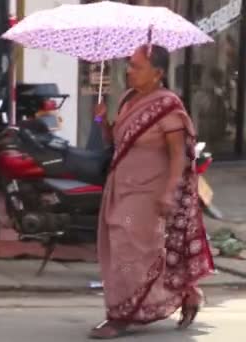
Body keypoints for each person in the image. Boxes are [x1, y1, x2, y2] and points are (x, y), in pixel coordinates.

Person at [88, 44, 215, 339]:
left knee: (127, 250)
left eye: (136, 66)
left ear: (157, 73)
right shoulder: (127, 99)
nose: (129, 71)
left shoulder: (168, 106)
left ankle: (120, 316)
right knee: (128, 250)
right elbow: (115, 140)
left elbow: (178, 156)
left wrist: (169, 192)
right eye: (130, 65)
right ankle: (188, 292)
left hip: (148, 191)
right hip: (121, 186)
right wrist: (101, 119)